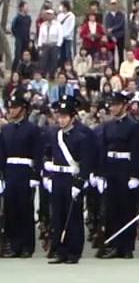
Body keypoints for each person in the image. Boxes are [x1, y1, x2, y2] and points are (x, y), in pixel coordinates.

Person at [44, 98, 99, 264]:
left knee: (73, 216)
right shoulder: (55, 134)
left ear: (72, 117)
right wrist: (47, 168)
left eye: (64, 116)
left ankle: (74, 251)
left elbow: (86, 161)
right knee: (58, 215)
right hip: (58, 177)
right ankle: (60, 249)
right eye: (59, 116)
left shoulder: (81, 136)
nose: (61, 119)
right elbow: (47, 152)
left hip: (72, 178)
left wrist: (80, 182)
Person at [97, 91, 139, 260]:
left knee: (126, 208)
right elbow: (103, 149)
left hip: (126, 168)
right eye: (112, 104)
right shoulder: (107, 126)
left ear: (124, 106)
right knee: (111, 208)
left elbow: (137, 151)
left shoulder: (133, 126)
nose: (113, 107)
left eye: (116, 104)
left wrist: (135, 175)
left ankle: (126, 246)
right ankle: (113, 244)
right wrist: (100, 174)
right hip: (111, 167)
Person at [1, 92, 44, 258]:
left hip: (26, 171)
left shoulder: (33, 130)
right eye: (10, 107)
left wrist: (35, 176)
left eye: (15, 107)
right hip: (10, 171)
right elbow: (2, 154)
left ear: (23, 109)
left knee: (25, 209)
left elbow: (37, 154)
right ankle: (14, 244)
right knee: (11, 210)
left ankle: (27, 245)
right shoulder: (6, 130)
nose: (12, 111)